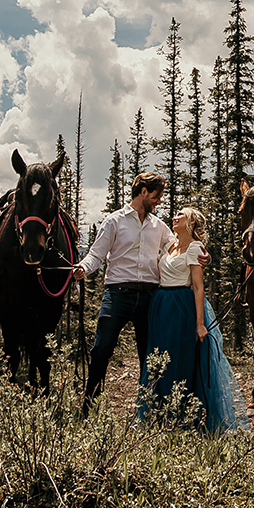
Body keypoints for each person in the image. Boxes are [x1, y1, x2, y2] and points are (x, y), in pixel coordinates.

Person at [72, 172, 169, 413]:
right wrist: (84, 267)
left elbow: (177, 247)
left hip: (149, 297)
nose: (159, 201)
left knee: (149, 354)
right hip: (117, 295)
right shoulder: (114, 221)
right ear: (143, 191)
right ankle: (89, 406)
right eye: (156, 196)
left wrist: (199, 255)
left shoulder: (159, 227)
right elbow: (97, 253)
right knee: (102, 349)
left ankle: (147, 410)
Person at [140, 206, 241, 432]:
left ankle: (181, 414)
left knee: (178, 358)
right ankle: (158, 411)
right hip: (161, 306)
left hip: (181, 306)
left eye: (180, 215)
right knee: (158, 356)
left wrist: (199, 323)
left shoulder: (195, 248)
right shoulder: (170, 244)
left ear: (192, 223)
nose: (175, 217)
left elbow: (198, 286)